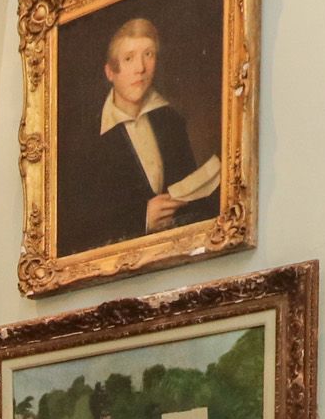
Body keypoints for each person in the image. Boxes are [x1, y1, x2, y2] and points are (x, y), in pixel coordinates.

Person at [59, 14, 219, 258]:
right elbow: (76, 229)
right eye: (129, 58)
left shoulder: (171, 122)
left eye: (149, 54)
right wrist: (142, 219)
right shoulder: (87, 139)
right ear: (110, 71)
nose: (141, 68)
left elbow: (191, 201)